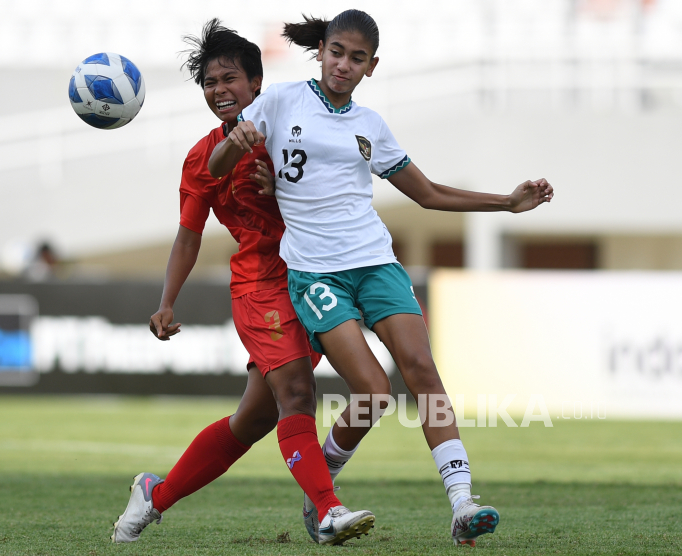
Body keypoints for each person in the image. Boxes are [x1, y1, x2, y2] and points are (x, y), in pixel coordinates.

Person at [208, 10, 554, 547]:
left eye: (357, 58)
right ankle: (322, 480)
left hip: (376, 263)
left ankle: (463, 502)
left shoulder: (370, 125)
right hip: (315, 272)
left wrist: (506, 203)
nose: (344, 65)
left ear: (372, 67)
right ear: (320, 50)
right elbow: (215, 165)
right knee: (372, 392)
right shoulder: (278, 101)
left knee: (422, 371)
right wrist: (236, 140)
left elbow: (429, 192)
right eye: (337, 52)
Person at [111, 19, 374, 546]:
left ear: (256, 85)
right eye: (210, 83)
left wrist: (277, 186)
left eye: (229, 78)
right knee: (299, 394)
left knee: (254, 419)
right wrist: (166, 301)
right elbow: (188, 236)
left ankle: (153, 495)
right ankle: (325, 509)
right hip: (262, 286)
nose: (219, 91)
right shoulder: (201, 157)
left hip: (318, 277)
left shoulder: (288, 127)